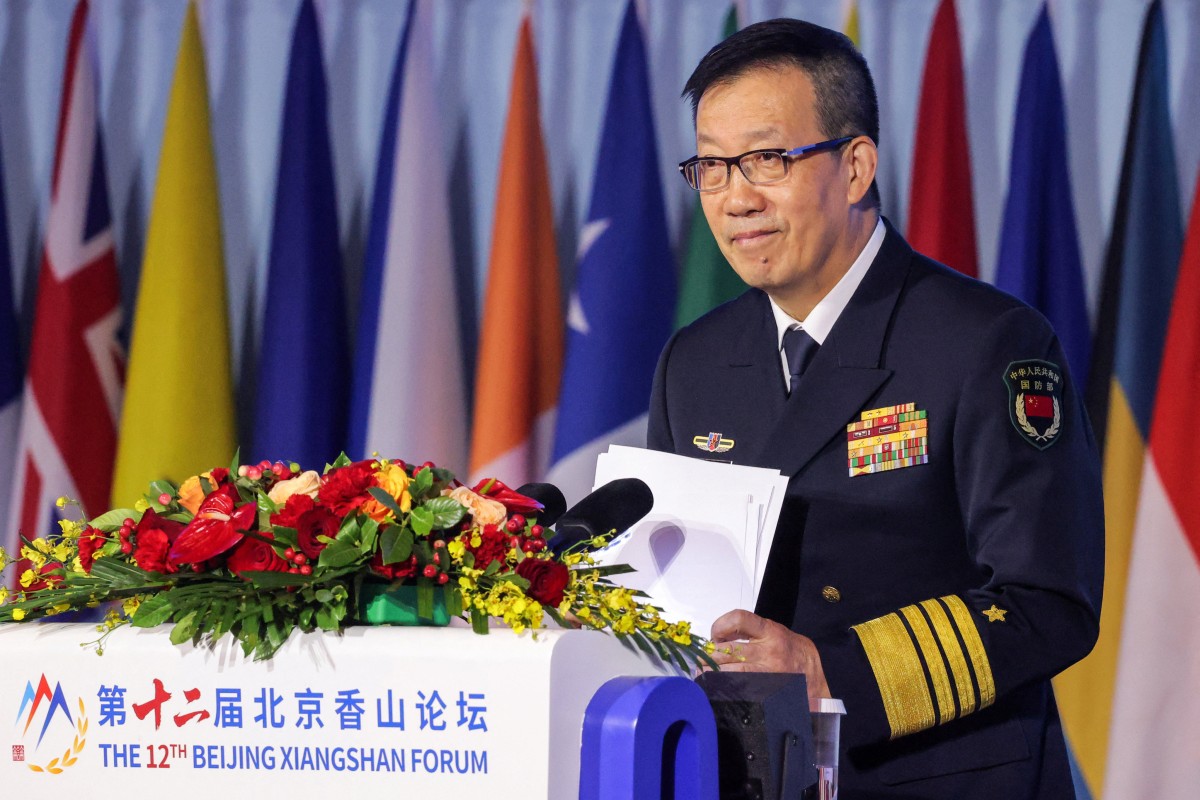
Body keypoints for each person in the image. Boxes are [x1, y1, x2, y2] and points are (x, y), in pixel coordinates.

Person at [647, 18, 1103, 798]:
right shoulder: (693, 360)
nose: (735, 197)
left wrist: (827, 667)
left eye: (765, 159)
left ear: (856, 167)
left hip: (937, 776)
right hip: (751, 774)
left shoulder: (987, 341)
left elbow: (1048, 599)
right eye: (713, 167)